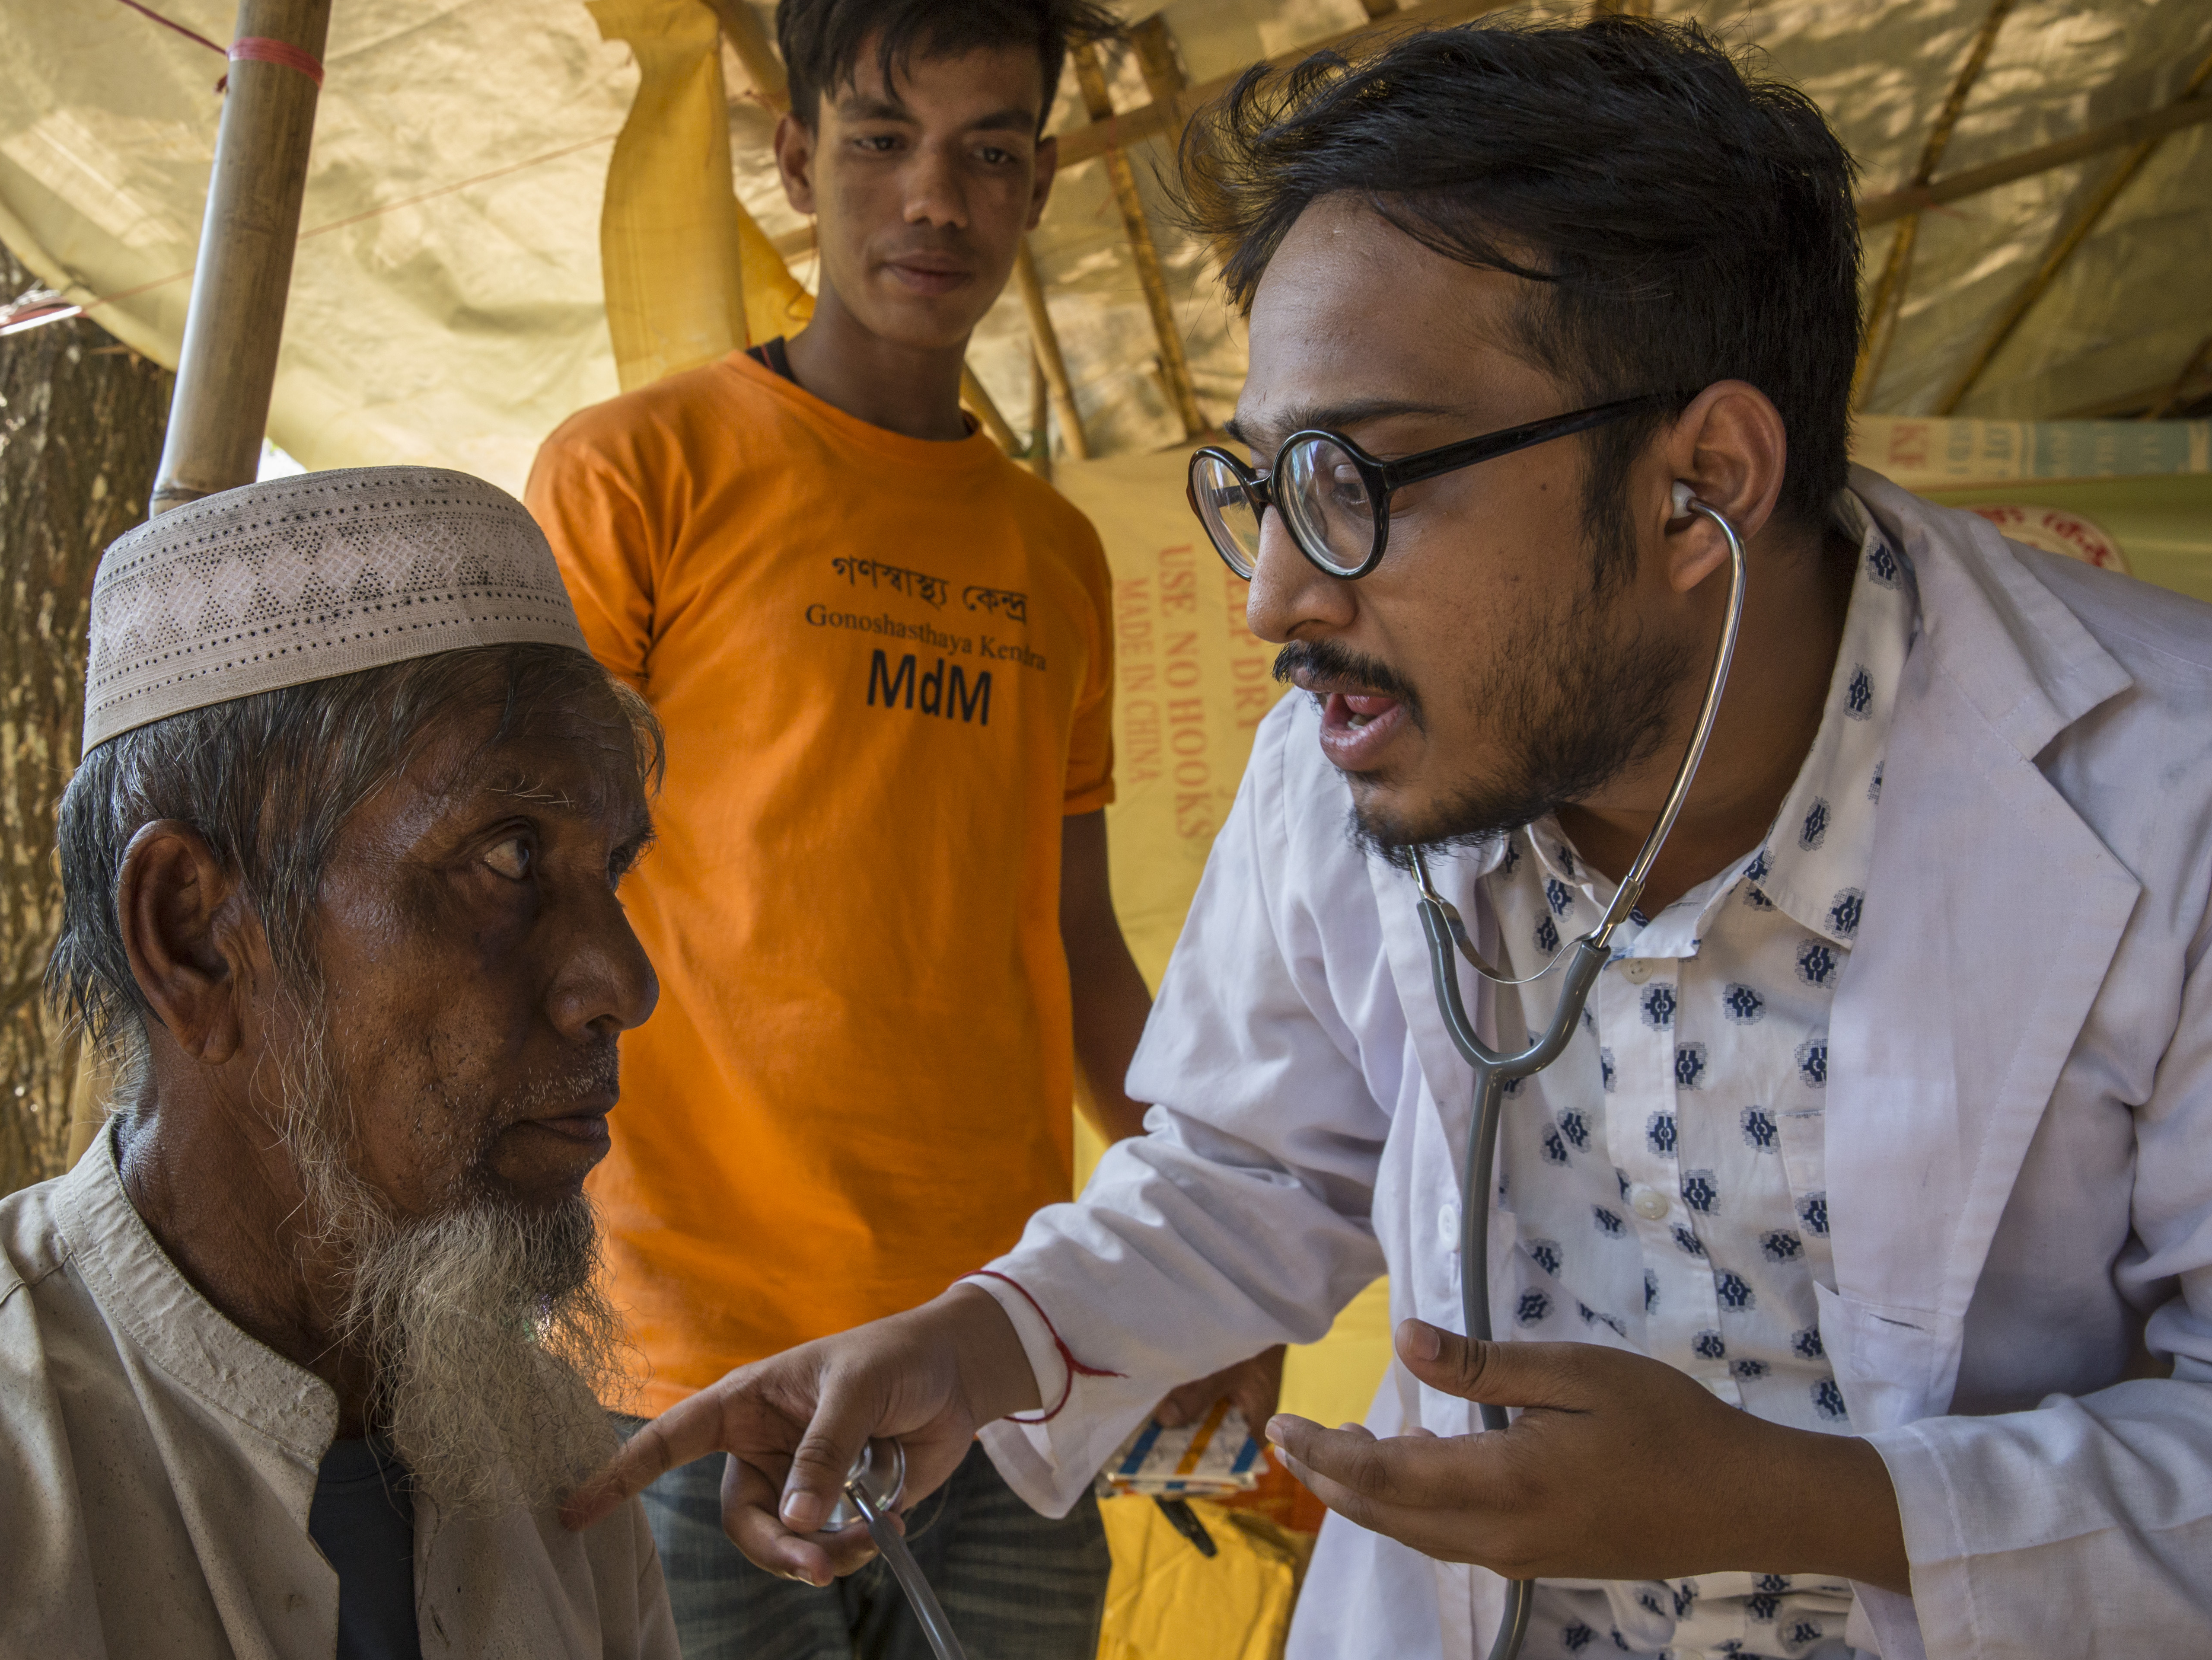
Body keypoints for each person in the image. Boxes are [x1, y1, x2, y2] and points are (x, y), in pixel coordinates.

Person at [565, 18, 2212, 1659]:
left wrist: (1803, 1506)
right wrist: (990, 1340)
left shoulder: (2164, 799)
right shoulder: (1354, 752)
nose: (1278, 593)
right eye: (1270, 479)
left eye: (1359, 474)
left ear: (1700, 484)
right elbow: (1256, 1165)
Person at [522, 0, 1280, 1653]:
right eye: (881, 142)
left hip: (999, 1351)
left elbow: (1077, 946)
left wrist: (1201, 1254)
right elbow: (518, 896)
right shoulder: (631, 478)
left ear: (1035, 188)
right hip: (683, 1352)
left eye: (987, 153)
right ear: (797, 163)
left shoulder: (1057, 554)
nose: (932, 200)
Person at [0, 469, 681, 1660]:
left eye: (615, 872)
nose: (622, 983)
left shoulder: (560, 1470)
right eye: (506, 855)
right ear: (192, 936)